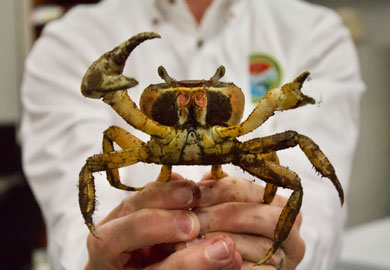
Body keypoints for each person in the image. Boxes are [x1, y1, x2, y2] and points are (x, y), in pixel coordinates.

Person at [20, 0, 364, 269]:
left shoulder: (316, 31)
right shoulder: (68, 38)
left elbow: (318, 217)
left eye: (209, 93)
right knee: (94, 163)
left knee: (292, 154)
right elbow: (72, 215)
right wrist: (97, 255)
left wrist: (282, 251)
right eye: (173, 95)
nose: (191, 102)